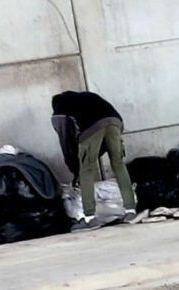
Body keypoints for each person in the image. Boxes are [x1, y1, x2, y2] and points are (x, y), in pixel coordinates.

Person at [50, 91, 136, 230]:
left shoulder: (59, 110)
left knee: (87, 170)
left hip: (91, 127)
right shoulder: (87, 97)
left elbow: (66, 143)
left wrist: (75, 169)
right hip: (115, 122)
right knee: (119, 164)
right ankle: (131, 211)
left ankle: (90, 218)